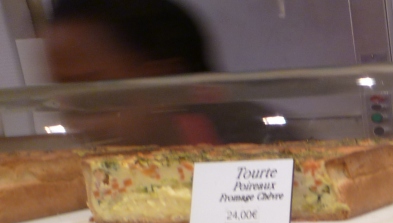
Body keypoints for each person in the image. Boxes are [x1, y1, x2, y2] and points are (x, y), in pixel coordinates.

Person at [43, 0, 285, 146]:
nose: (76, 124)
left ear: (162, 83)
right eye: (69, 102)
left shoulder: (262, 146)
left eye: (92, 100)